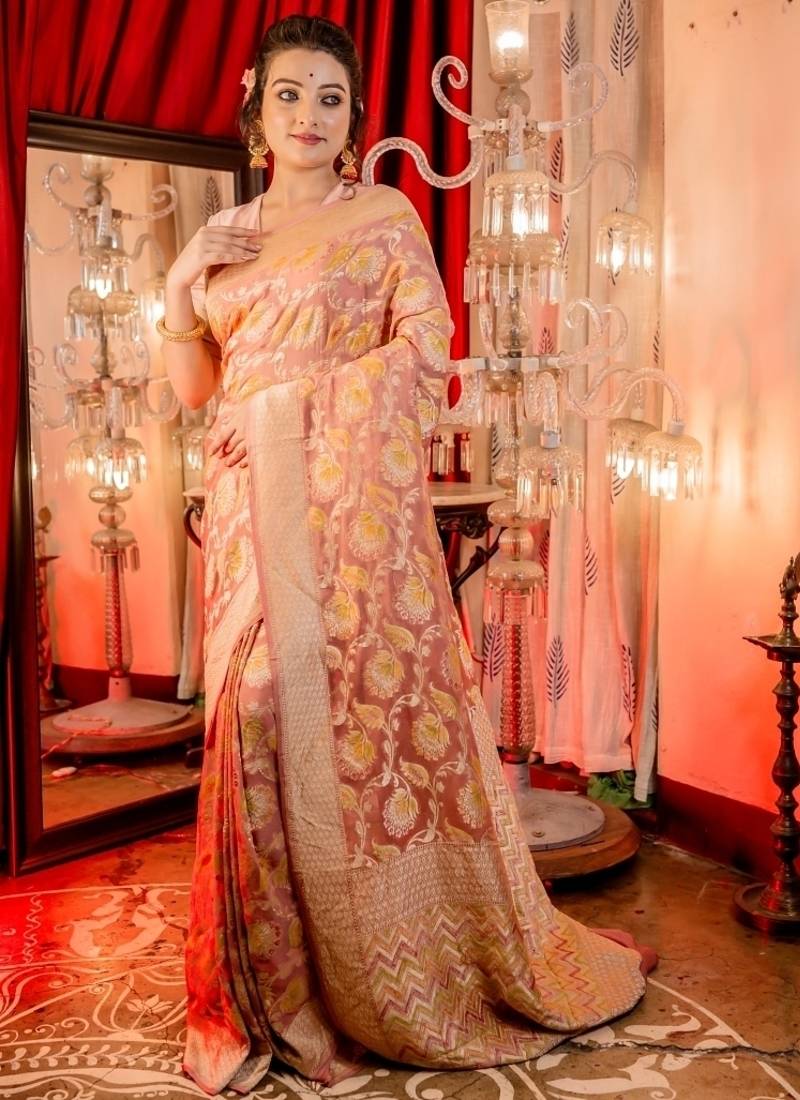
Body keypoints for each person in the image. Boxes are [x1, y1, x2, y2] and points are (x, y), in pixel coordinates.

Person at [160, 14, 653, 1098]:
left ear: (352, 119)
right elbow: (198, 389)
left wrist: (289, 407)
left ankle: (378, 972)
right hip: (246, 517)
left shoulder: (383, 217)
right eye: (289, 94)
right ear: (255, 107)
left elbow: (424, 349)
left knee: (337, 722)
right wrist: (177, 286)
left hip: (348, 523)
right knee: (251, 722)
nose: (309, 115)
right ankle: (272, 985)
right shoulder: (227, 234)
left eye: (330, 98)